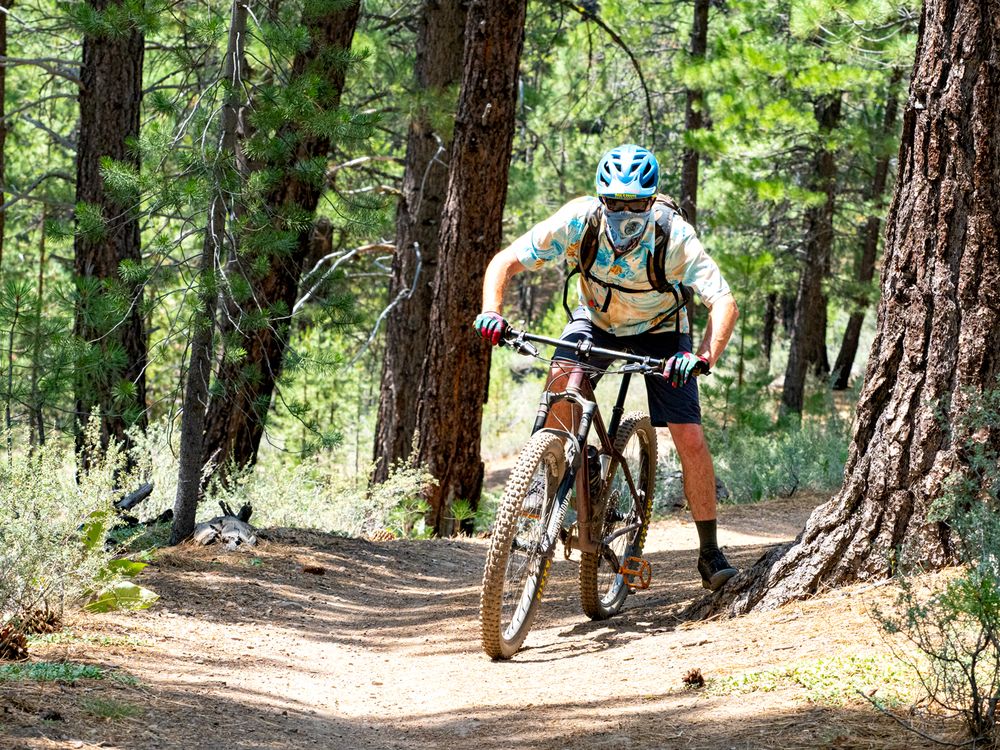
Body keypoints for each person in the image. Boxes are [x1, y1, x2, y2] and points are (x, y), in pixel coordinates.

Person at [473, 143, 740, 591]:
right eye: (615, 203)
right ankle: (560, 472)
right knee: (561, 388)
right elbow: (506, 261)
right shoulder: (579, 221)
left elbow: (724, 301)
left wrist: (702, 358)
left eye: (635, 204)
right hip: (596, 322)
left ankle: (710, 552)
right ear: (601, 199)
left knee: (689, 436)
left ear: (651, 201)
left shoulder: (673, 235)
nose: (624, 213)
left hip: (661, 331)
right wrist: (491, 311)